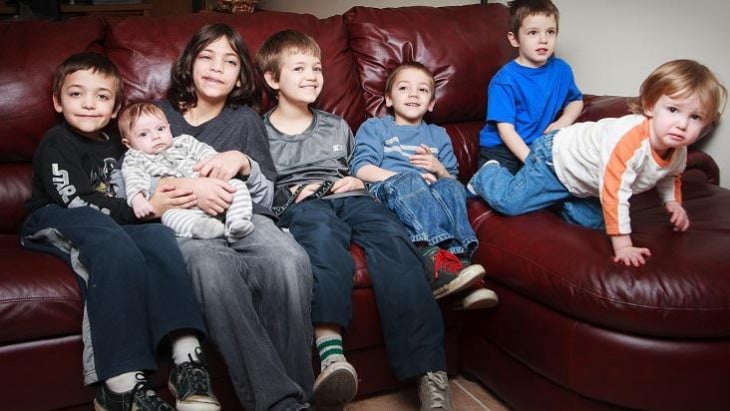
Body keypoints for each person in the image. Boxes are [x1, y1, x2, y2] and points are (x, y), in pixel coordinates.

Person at [257, 29, 464, 411]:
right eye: (298, 68)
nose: (312, 75)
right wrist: (289, 197)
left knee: (393, 239)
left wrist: (353, 178)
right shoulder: (260, 132)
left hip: (352, 195)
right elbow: (259, 187)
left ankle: (430, 373)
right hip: (305, 205)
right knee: (321, 240)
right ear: (272, 79)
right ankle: (332, 354)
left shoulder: (337, 125)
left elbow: (358, 166)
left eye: (317, 68)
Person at [20, 52, 219, 411]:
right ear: (57, 101)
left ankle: (187, 359)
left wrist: (160, 202)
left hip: (114, 220)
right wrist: (141, 210)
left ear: (114, 109)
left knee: (160, 238)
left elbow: (140, 184)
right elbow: (76, 201)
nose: (88, 104)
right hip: (57, 215)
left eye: (101, 96)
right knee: (113, 244)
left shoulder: (118, 144)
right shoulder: (57, 142)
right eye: (76, 94)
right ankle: (120, 385)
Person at [152, 23, 318, 411]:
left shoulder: (245, 121)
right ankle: (278, 402)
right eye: (207, 57)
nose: (216, 68)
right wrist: (192, 191)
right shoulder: (158, 115)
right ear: (189, 63)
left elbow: (269, 198)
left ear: (241, 74)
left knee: (289, 258)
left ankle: (302, 397)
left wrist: (244, 163)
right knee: (210, 266)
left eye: (229, 61)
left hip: (246, 216)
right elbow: (138, 183)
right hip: (188, 225)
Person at [468, 59, 727, 267]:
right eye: (673, 110)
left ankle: (557, 199)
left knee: (592, 226)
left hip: (586, 183)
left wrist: (672, 202)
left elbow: (672, 175)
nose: (682, 124)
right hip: (556, 159)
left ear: (705, 125)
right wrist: (623, 245)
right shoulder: (630, 142)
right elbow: (614, 191)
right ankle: (488, 174)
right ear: (650, 105)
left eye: (695, 117)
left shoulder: (678, 150)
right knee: (511, 203)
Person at [351, 61, 498, 311]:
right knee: (410, 181)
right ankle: (435, 258)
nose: (413, 94)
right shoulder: (376, 127)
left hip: (431, 192)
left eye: (422, 90)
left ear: (431, 103)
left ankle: (460, 267)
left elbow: (451, 180)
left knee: (452, 188)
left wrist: (438, 168)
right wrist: (403, 177)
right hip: (386, 191)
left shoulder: (438, 135)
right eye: (404, 88)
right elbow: (361, 169)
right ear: (388, 98)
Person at [118, 101, 254, 241]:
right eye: (143, 134)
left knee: (238, 186)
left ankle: (236, 222)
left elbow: (210, 156)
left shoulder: (185, 142)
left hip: (215, 193)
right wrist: (138, 199)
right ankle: (201, 228)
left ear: (169, 128)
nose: (155, 136)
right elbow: (133, 178)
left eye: (160, 129)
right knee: (169, 217)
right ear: (128, 144)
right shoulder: (135, 158)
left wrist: (214, 170)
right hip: (183, 207)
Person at [478, 0, 583, 174]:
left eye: (550, 32)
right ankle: (483, 182)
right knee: (507, 187)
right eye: (533, 33)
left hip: (538, 144)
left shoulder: (562, 70)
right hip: (502, 150)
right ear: (514, 39)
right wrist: (532, 162)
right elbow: (506, 132)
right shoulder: (504, 80)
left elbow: (575, 101)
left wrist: (563, 121)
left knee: (569, 180)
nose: (543, 40)